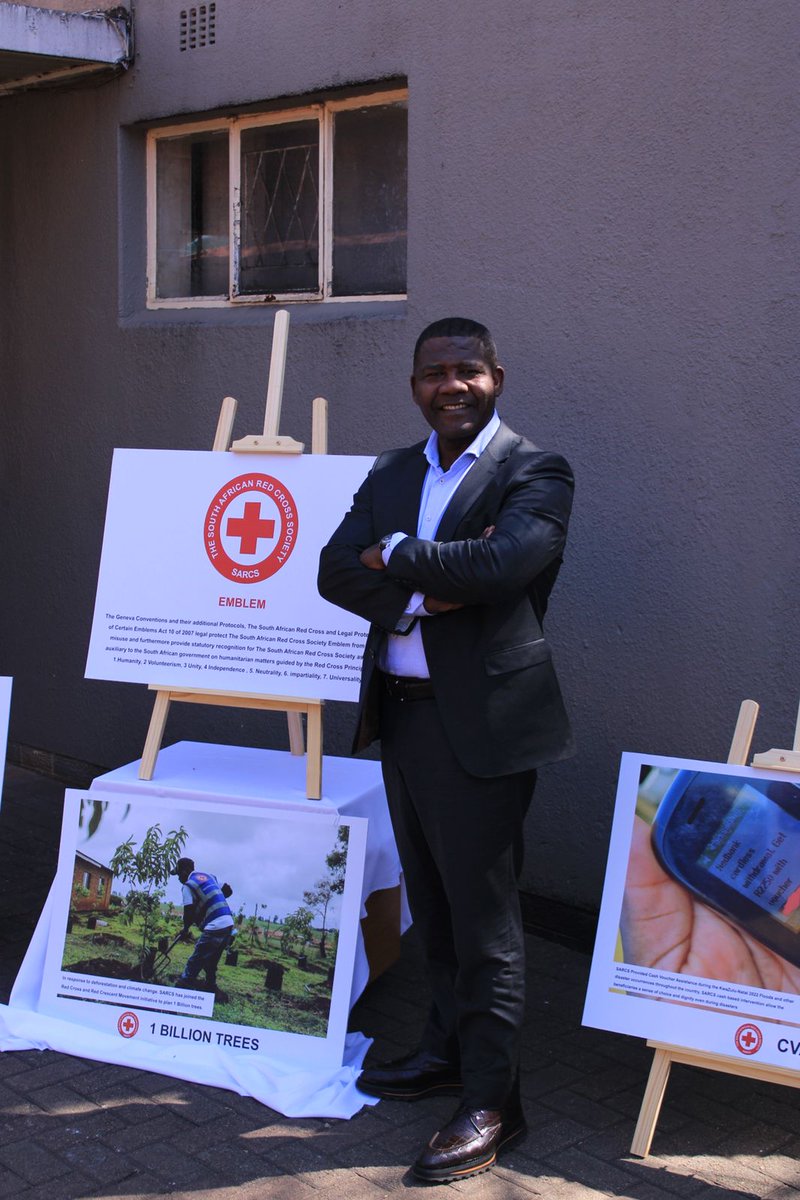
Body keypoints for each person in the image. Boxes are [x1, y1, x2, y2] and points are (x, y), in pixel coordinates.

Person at [317, 317, 574, 1183]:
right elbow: (330, 571)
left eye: (467, 371)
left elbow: (506, 565)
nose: (450, 386)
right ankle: (442, 1054)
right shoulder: (393, 470)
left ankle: (494, 1102)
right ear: (415, 385)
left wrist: (393, 556)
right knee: (431, 902)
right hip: (406, 720)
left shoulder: (534, 471)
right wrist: (423, 596)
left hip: (487, 729)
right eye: (435, 373)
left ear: (497, 377)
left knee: (485, 923)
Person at [172, 857, 235, 992]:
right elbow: (228, 890)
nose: (178, 879)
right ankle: (211, 987)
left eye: (178, 875)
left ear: (185, 871)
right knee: (211, 961)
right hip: (228, 924)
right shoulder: (209, 877)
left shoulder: (188, 886)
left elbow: (188, 911)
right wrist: (210, 900)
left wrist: (185, 929)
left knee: (195, 961)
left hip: (215, 926)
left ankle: (181, 988)